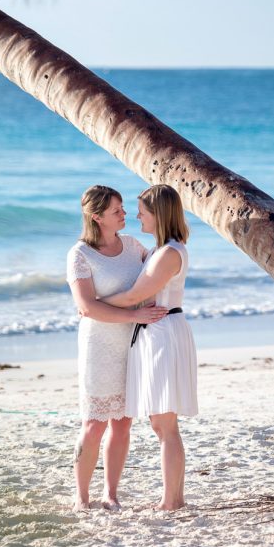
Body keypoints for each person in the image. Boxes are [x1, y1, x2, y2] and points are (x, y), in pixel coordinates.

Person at [66, 185, 168, 512]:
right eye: (116, 211)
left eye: (124, 208)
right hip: (98, 345)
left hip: (133, 343)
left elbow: (154, 281)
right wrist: (134, 312)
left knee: (123, 422)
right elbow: (86, 307)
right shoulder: (79, 255)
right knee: (94, 423)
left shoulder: (133, 246)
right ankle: (81, 496)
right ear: (96, 217)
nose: (125, 214)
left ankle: (111, 494)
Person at [101, 184, 197, 510]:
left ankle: (171, 501)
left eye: (142, 209)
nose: (137, 215)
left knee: (165, 424)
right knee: (161, 423)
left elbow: (134, 296)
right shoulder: (161, 250)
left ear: (159, 213)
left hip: (164, 333)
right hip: (156, 332)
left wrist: (94, 303)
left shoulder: (170, 252)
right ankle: (174, 498)